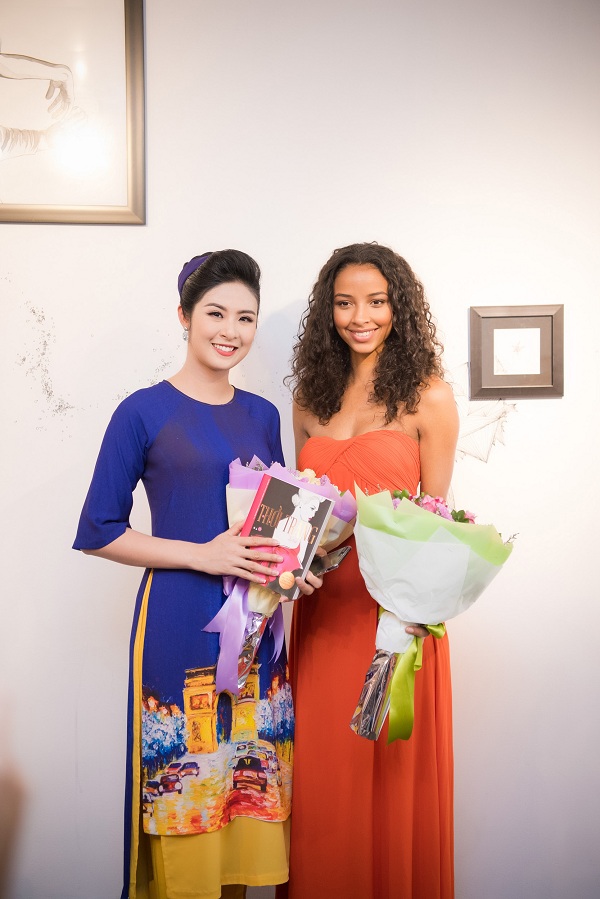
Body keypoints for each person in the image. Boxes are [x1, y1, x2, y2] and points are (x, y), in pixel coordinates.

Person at [73, 250, 320, 899]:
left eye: (246, 317)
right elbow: (99, 528)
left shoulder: (264, 415)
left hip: (259, 625)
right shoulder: (142, 411)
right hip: (178, 619)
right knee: (187, 785)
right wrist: (200, 554)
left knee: (244, 791)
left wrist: (296, 566)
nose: (230, 330)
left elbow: (270, 520)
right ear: (184, 316)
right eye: (216, 313)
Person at [279, 242, 459, 899]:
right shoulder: (308, 399)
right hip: (322, 614)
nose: (361, 317)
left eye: (377, 301)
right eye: (345, 302)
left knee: (385, 776)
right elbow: (300, 514)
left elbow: (437, 519)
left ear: (398, 307)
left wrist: (410, 616)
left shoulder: (429, 397)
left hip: (394, 619)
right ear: (327, 311)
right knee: (324, 777)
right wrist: (283, 569)